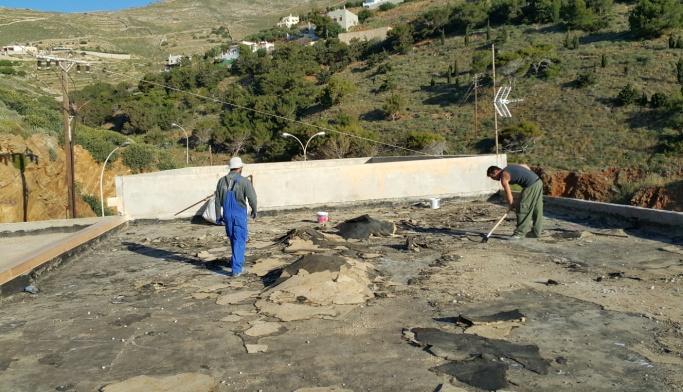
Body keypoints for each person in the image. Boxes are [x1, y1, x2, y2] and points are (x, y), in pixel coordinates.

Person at [214, 157, 257, 277]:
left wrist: (218, 216)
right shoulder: (244, 181)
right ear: (240, 168)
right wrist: (254, 209)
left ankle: (236, 263)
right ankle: (236, 269)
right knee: (239, 240)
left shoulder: (221, 181)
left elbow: (217, 200)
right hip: (239, 214)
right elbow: (252, 198)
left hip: (227, 214)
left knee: (233, 238)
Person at [486, 164, 543, 240]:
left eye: (492, 177)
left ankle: (519, 234)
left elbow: (508, 192)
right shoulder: (509, 167)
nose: (493, 179)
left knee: (522, 208)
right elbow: (525, 166)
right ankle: (536, 232)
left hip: (530, 186)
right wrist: (529, 176)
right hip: (538, 181)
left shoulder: (504, 176)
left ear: (496, 172)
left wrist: (511, 204)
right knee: (537, 208)